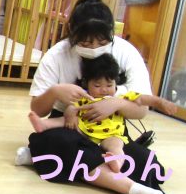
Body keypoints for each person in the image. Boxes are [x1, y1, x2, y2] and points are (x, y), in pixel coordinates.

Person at [16, 0, 170, 194]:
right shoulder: (57, 55)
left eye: (102, 42)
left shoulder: (126, 52)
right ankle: (133, 190)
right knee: (60, 142)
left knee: (146, 164)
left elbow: (141, 111)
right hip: (71, 125)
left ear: (112, 34)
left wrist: (115, 104)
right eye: (86, 43)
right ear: (72, 34)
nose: (94, 48)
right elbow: (38, 109)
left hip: (111, 128)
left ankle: (47, 159)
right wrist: (55, 92)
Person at [28, 53, 178, 174]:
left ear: (116, 83)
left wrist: (160, 102)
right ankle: (43, 124)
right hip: (85, 129)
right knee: (62, 120)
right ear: (87, 84)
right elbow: (72, 107)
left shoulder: (121, 96)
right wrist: (71, 115)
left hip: (111, 134)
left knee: (116, 146)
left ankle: (116, 161)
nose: (104, 89)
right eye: (97, 85)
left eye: (109, 85)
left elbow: (142, 99)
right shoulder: (86, 96)